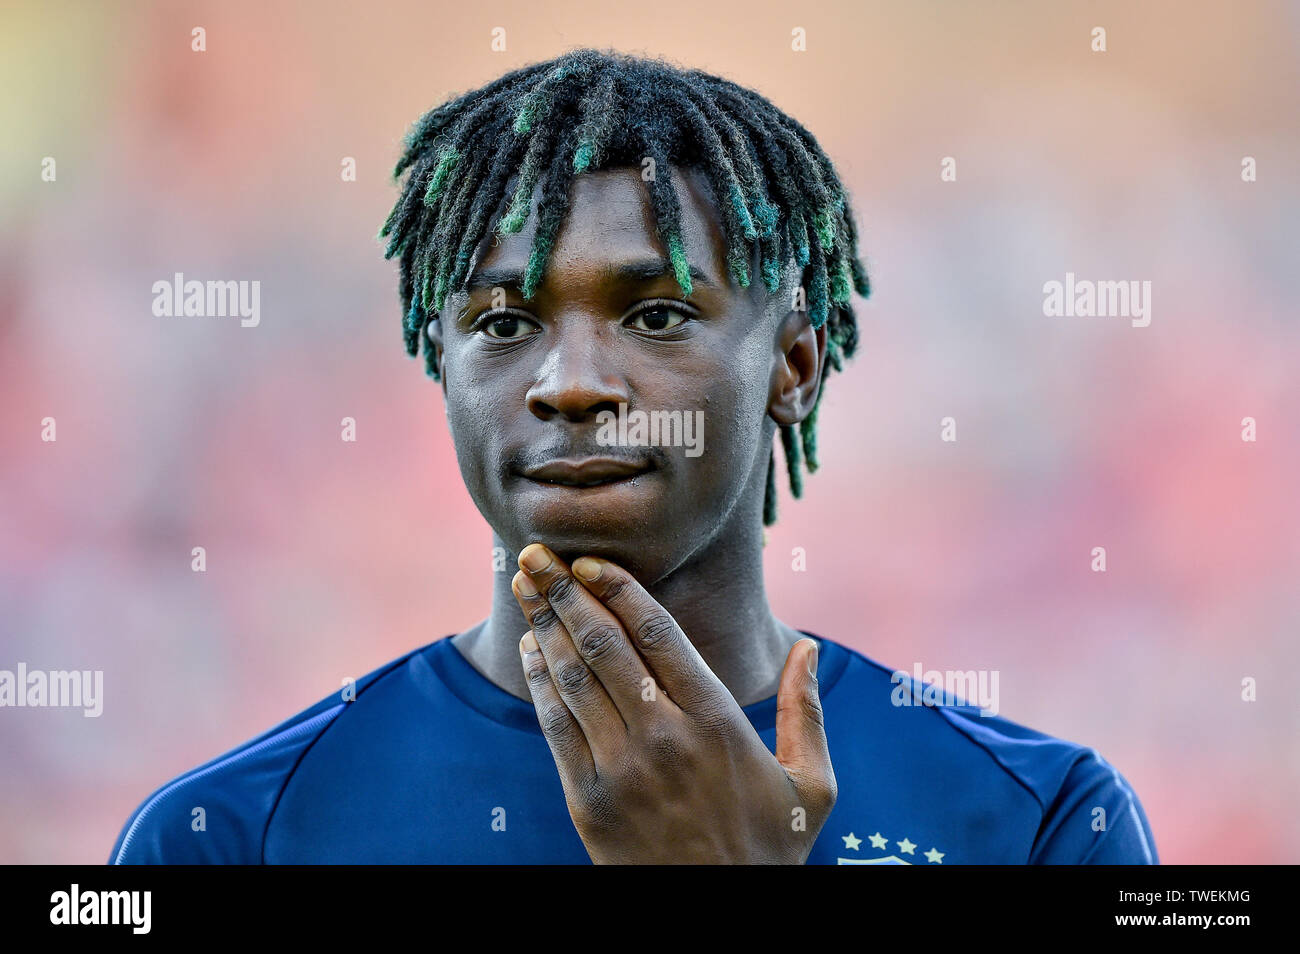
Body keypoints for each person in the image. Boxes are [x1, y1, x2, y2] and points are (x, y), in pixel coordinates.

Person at [110, 47, 1157, 864]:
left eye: (655, 315)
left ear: (793, 364)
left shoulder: (1041, 823)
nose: (569, 381)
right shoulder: (226, 835)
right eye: (503, 323)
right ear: (441, 363)